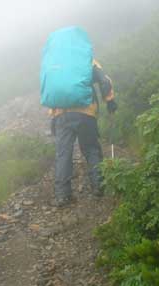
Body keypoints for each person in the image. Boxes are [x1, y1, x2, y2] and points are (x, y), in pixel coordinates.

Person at [49, 59, 117, 206]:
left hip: (61, 113)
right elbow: (104, 81)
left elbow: (51, 90)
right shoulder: (87, 59)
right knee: (91, 148)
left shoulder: (55, 63)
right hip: (86, 111)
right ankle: (99, 185)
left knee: (63, 154)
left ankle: (62, 195)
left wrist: (53, 116)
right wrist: (110, 100)